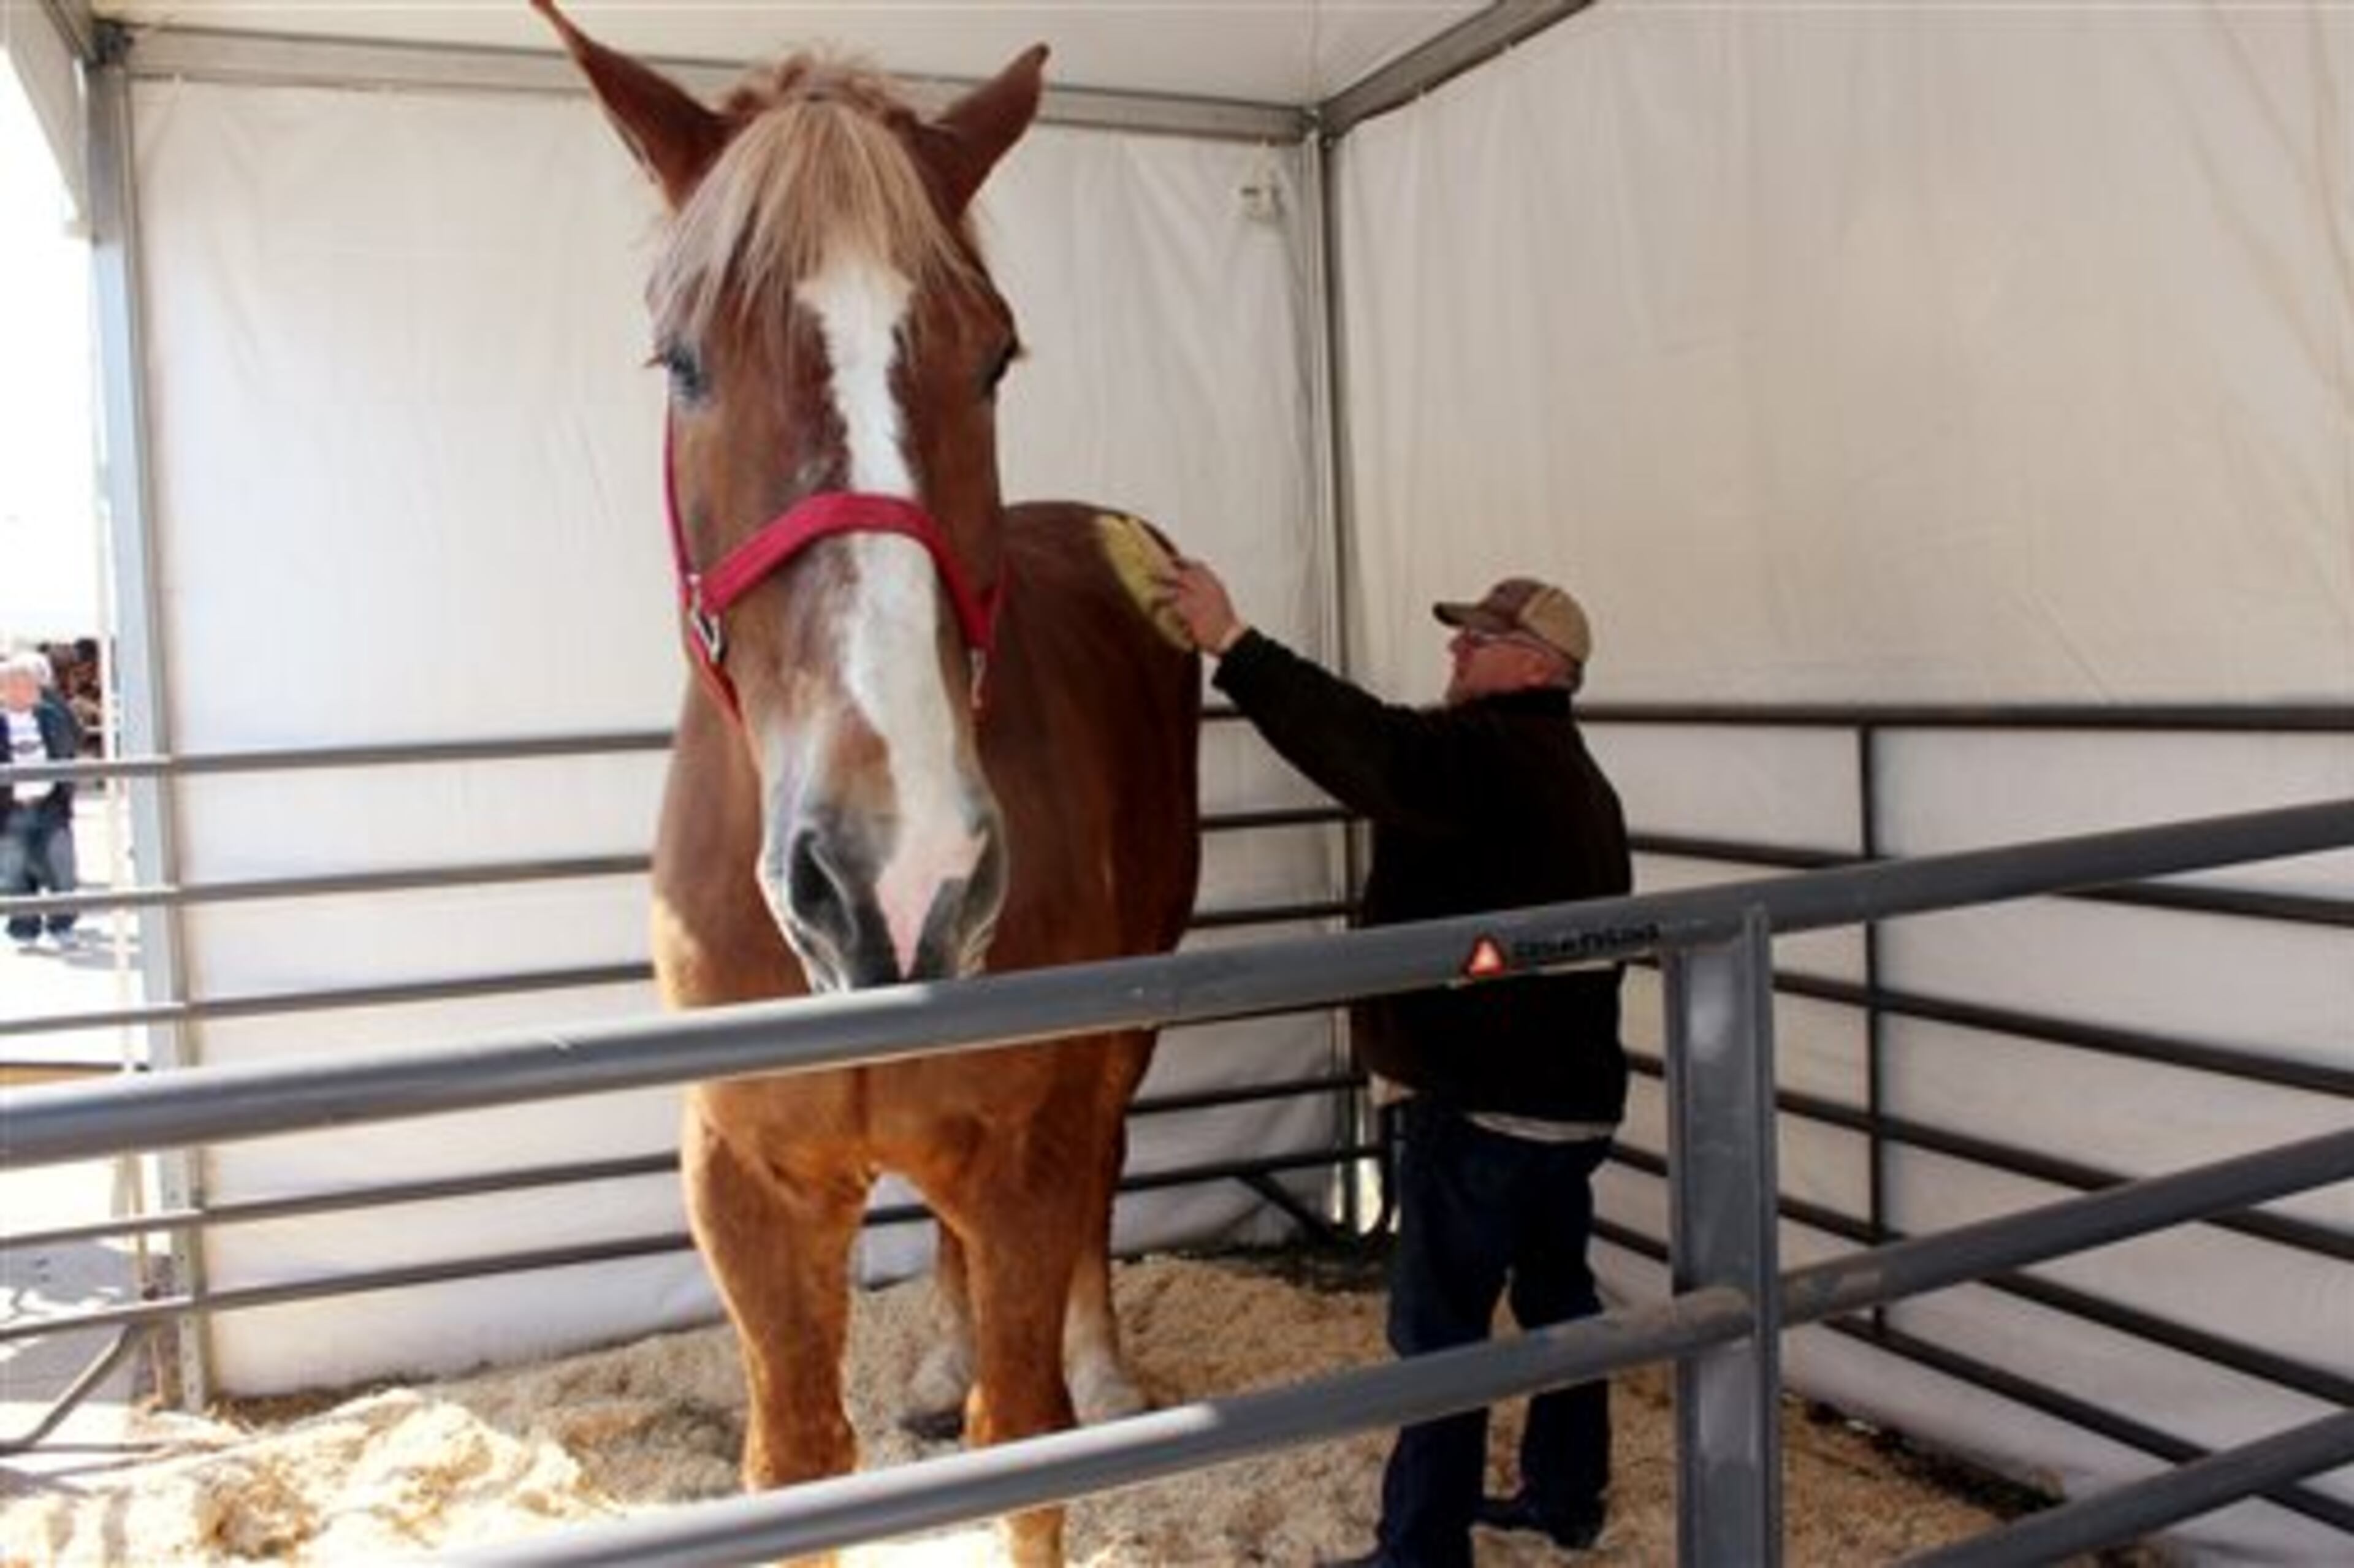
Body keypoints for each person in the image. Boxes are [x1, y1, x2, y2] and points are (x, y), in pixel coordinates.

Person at [1157, 563, 1631, 1568]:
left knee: (1440, 1325)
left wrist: (1233, 644)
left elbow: (1368, 747)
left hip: (1487, 1105)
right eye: (1460, 633)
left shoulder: (1488, 755)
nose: (1456, 649)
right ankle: (1566, 1493)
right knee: (1560, 1299)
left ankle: (1420, 1549)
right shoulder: (1573, 770)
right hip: (1570, 1101)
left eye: (1481, 637)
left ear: (1541, 664)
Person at [1, 649, 84, 947]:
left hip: (50, 804)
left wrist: (52, 699)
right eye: (18, 684)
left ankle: (62, 926)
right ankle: (23, 929)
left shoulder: (51, 714)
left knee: (62, 869)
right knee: (14, 873)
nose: (27, 690)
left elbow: (74, 738)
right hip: (9, 810)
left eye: (31, 684)